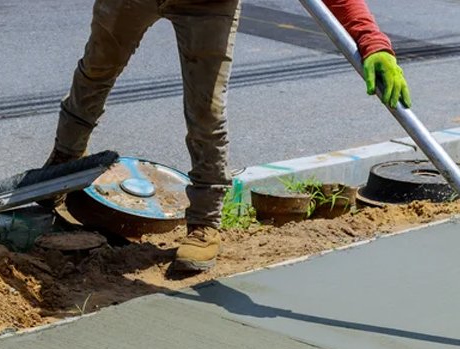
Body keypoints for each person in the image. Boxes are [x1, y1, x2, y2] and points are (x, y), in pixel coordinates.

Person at [45, 0, 411, 271]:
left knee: (207, 110)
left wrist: (372, 42)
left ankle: (205, 223)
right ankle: (61, 167)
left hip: (207, 6)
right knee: (95, 72)